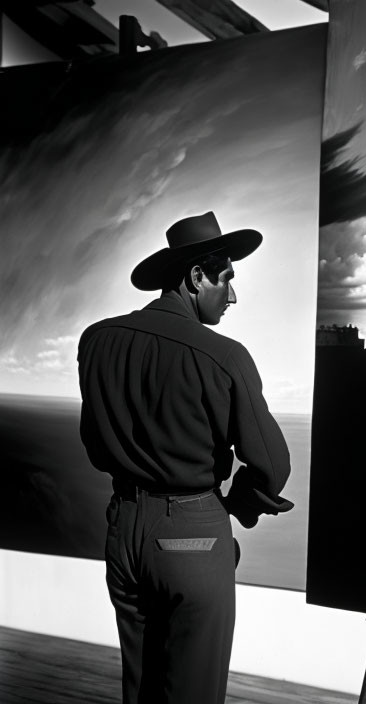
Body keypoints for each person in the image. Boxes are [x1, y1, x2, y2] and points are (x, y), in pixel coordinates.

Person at [78, 211, 293, 704]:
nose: (234, 295)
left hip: (123, 530)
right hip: (192, 534)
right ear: (197, 277)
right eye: (228, 279)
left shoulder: (97, 340)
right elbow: (272, 465)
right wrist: (240, 501)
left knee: (140, 688)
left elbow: (94, 445)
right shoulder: (225, 355)